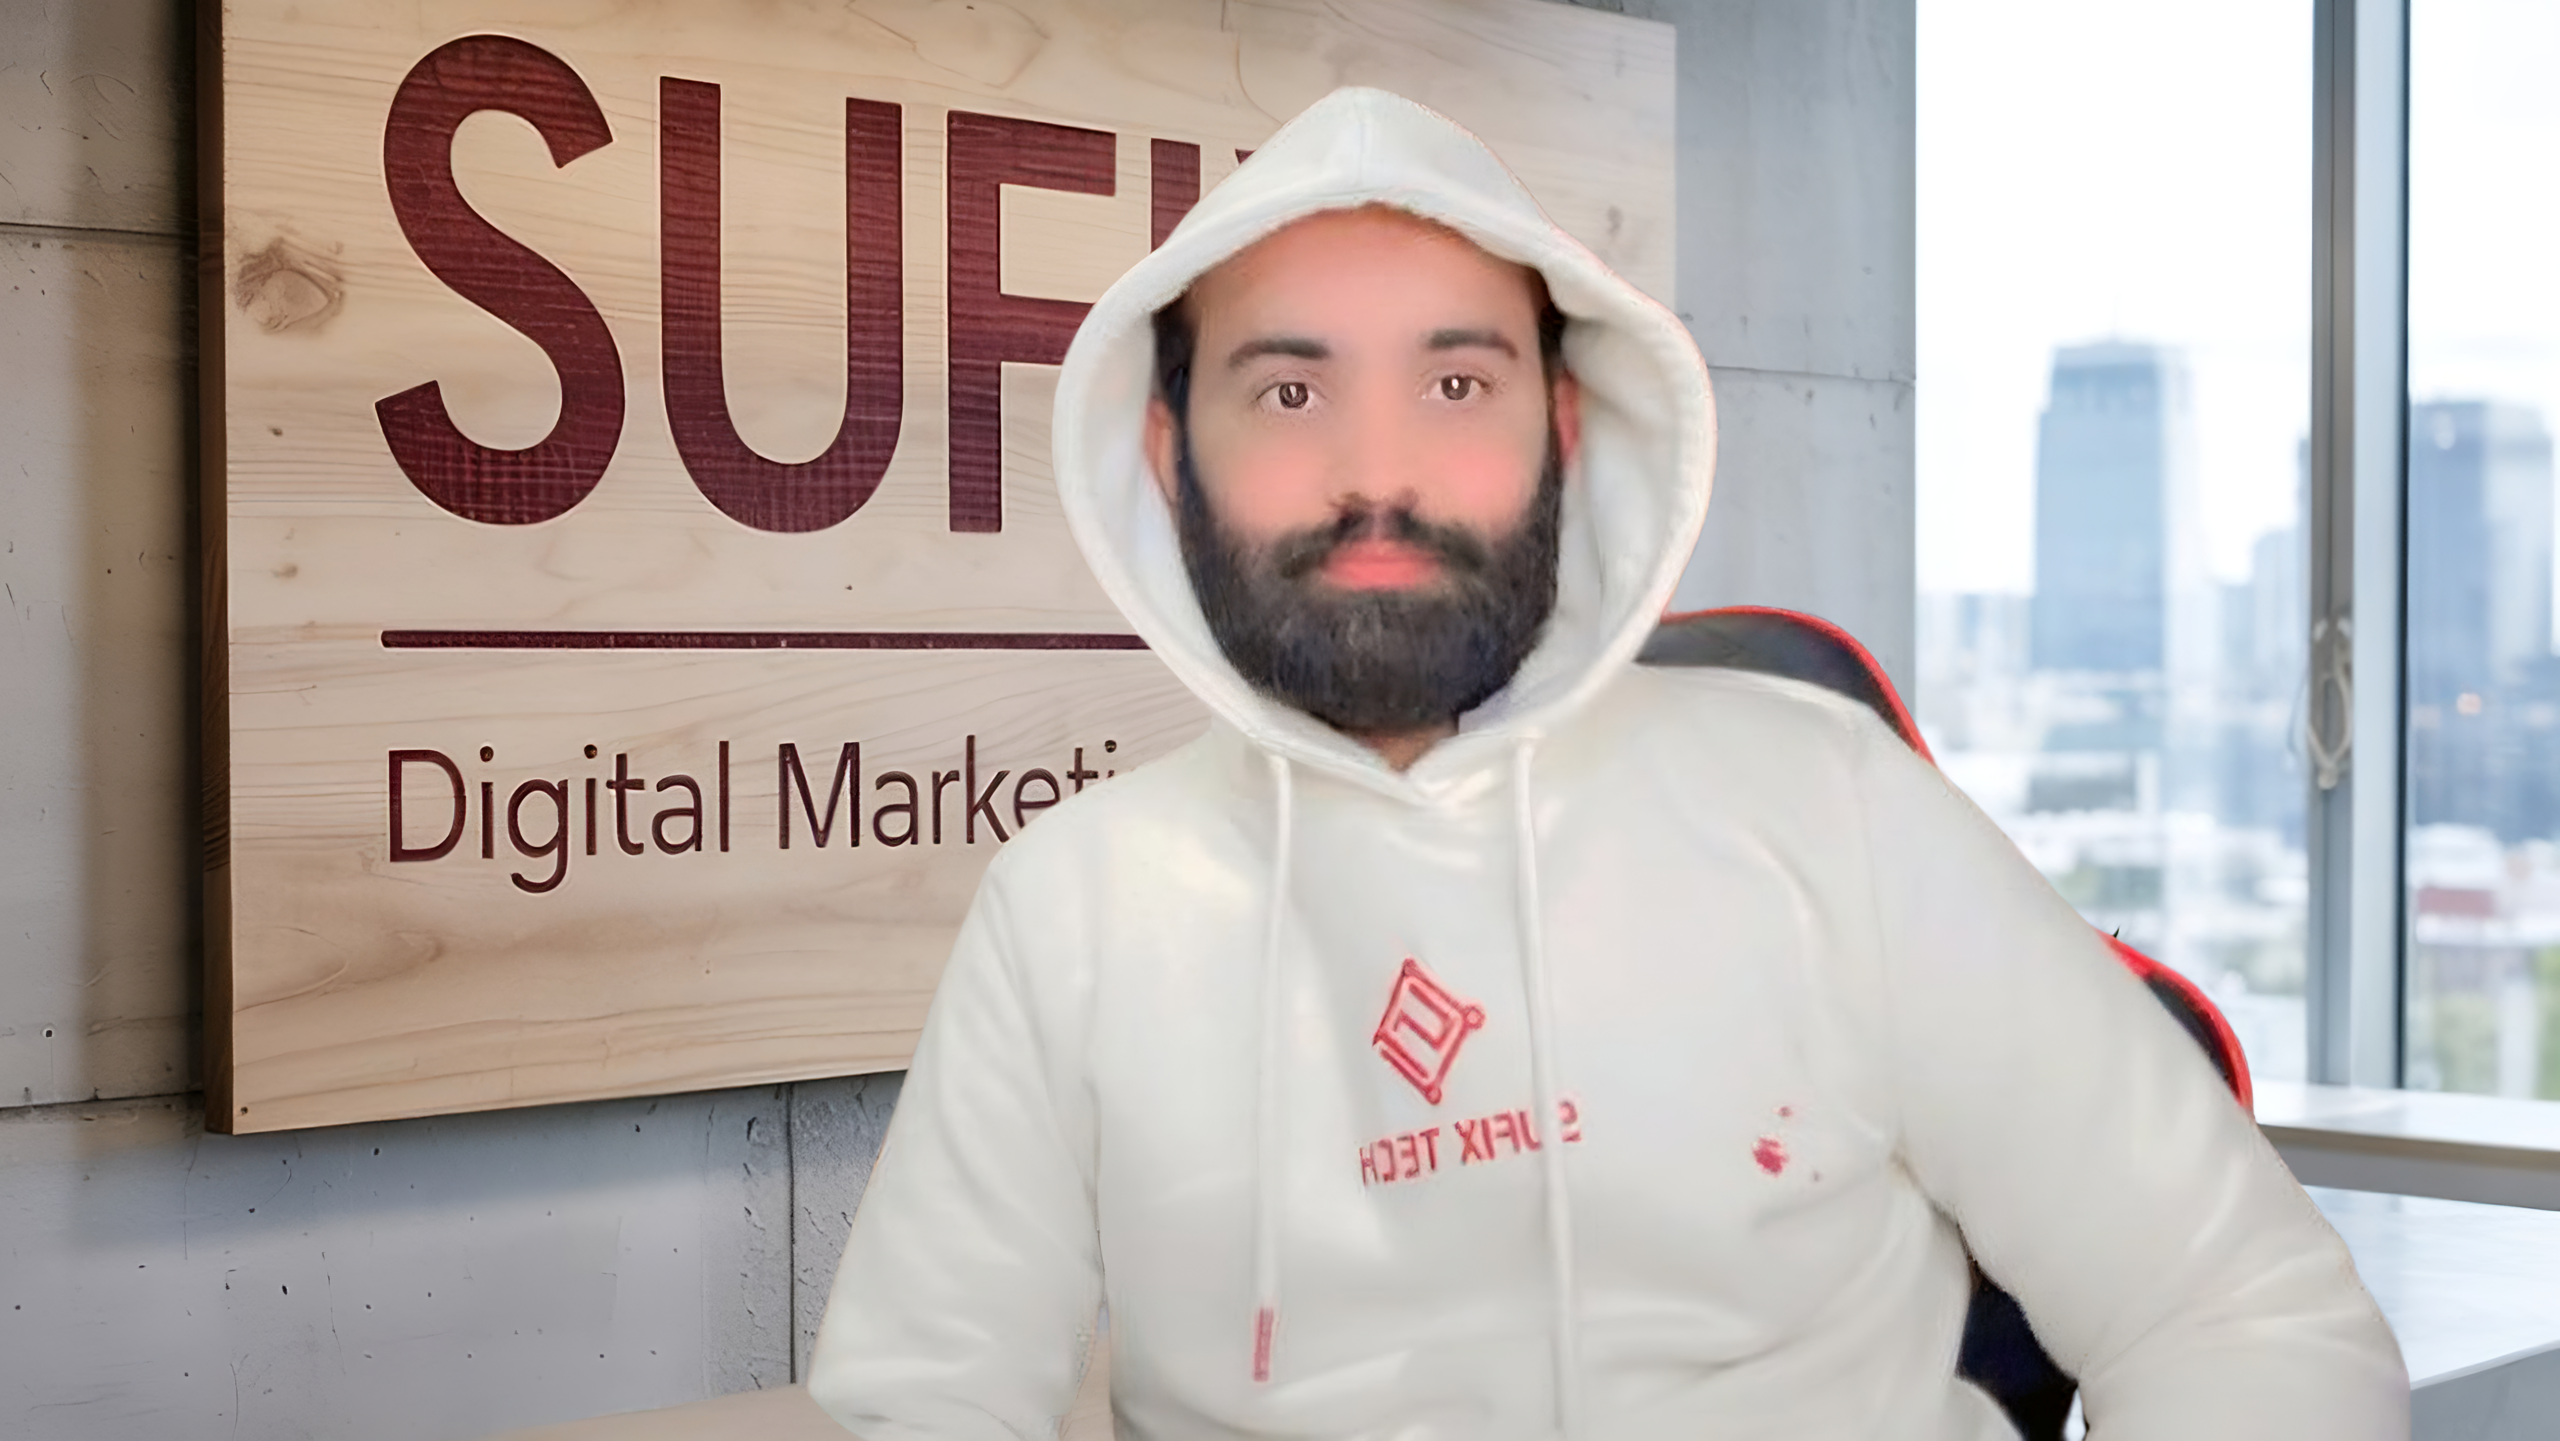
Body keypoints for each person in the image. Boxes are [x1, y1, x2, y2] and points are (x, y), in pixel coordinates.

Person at [809, 87, 2407, 1439]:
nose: (1379, 473)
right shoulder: (1073, 908)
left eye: (1457, 383)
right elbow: (920, 1406)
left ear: (1566, 429)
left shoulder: (1828, 804)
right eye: (1289, 390)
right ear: (1168, 457)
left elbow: (2245, 1313)